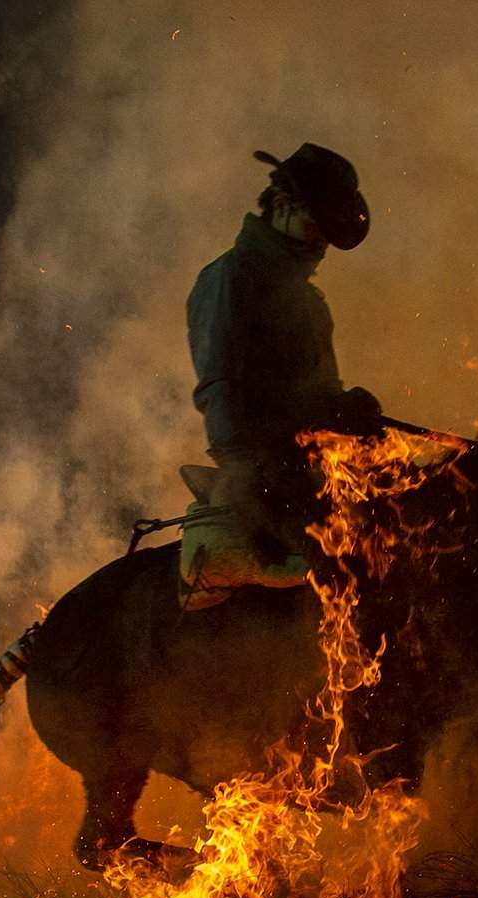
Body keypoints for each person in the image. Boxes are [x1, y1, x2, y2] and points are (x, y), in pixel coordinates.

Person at [181, 142, 380, 607]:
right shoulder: (229, 278)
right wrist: (242, 466)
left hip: (306, 466)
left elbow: (318, 394)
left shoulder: (310, 303)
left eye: (327, 237)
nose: (319, 246)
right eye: (316, 228)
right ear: (284, 206)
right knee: (336, 571)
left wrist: (347, 409)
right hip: (262, 473)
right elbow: (220, 382)